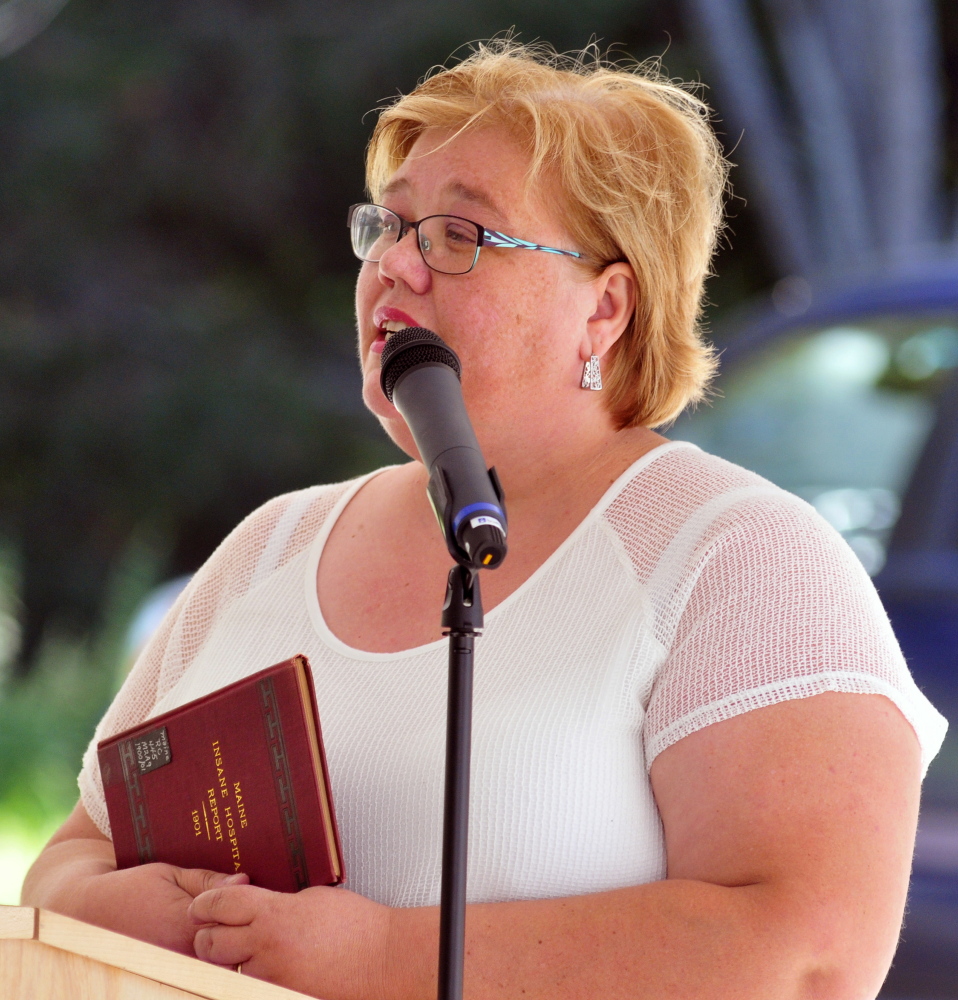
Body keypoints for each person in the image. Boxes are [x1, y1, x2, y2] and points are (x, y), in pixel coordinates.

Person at [23, 41, 947, 1000]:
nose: (394, 266)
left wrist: (381, 960)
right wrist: (151, 916)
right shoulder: (274, 542)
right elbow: (69, 861)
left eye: (460, 234)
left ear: (608, 308)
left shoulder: (739, 557)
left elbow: (805, 955)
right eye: (389, 224)